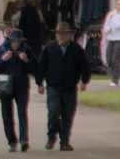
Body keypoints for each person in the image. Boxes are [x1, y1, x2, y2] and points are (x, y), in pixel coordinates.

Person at [35, 23, 91, 151]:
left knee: (68, 115)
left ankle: (65, 141)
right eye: (59, 34)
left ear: (69, 35)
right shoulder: (50, 48)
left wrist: (84, 81)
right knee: (53, 111)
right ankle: (51, 137)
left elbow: (85, 66)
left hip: (70, 87)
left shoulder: (76, 49)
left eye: (64, 34)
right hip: (53, 86)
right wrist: (40, 83)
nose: (61, 36)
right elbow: (41, 66)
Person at [0, 29, 35, 152]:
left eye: (18, 41)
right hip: (5, 86)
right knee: (7, 115)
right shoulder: (1, 50)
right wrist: (3, 60)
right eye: (14, 41)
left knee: (22, 113)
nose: (16, 44)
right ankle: (12, 141)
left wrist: (26, 61)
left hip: (21, 86)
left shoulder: (26, 50)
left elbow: (34, 67)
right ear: (10, 40)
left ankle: (24, 140)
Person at [102, 0, 120, 86]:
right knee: (109, 59)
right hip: (111, 38)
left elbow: (118, 25)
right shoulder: (111, 14)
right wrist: (107, 29)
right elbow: (106, 25)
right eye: (117, 4)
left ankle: (115, 80)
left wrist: (113, 19)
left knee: (116, 60)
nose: (119, 6)